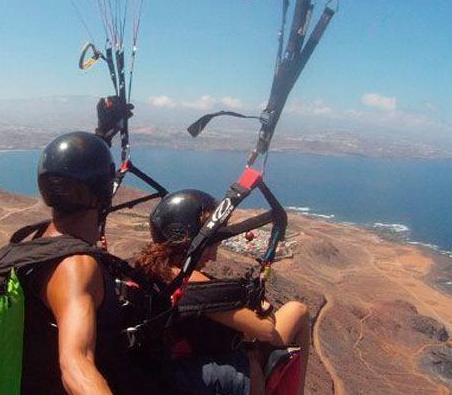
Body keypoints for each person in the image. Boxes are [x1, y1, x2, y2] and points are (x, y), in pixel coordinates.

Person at [19, 131, 157, 395]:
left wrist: (103, 133)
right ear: (104, 189)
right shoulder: (75, 265)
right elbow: (75, 364)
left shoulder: (39, 241)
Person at [134, 189, 311, 395]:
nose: (214, 257)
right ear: (191, 240)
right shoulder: (188, 281)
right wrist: (263, 306)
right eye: (211, 244)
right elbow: (265, 331)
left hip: (170, 369)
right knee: (298, 311)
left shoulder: (150, 267)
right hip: (187, 377)